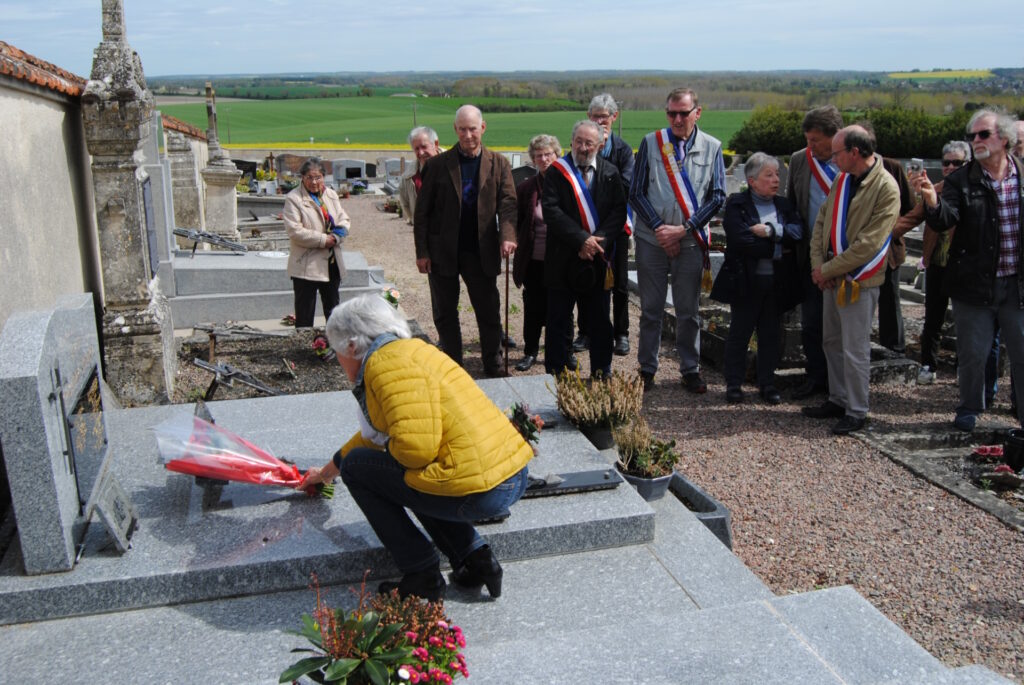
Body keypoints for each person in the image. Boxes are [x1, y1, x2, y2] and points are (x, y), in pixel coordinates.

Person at [299, 294, 532, 601]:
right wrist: (327, 472)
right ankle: (477, 560)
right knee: (414, 473)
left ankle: (422, 573)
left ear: (352, 345)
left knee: (366, 468)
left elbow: (414, 450)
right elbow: (376, 436)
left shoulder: (382, 365)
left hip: (481, 490)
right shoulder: (414, 351)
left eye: (337, 351)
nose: (339, 361)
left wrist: (376, 465)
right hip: (509, 475)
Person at [914, 109, 1024, 432]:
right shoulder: (961, 179)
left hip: (1017, 284)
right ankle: (969, 408)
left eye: (983, 134)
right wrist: (933, 202)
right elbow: (946, 218)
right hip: (974, 284)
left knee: (1021, 353)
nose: (975, 141)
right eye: (972, 135)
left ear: (1004, 139)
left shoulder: (1022, 174)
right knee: (973, 353)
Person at [802, 125, 900, 435]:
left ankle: (857, 410)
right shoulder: (843, 181)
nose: (832, 160)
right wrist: (819, 265)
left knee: (855, 349)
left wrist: (827, 270)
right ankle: (838, 398)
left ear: (854, 153)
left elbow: (869, 244)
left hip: (859, 280)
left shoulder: (886, 187)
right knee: (831, 341)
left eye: (837, 154)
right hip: (832, 276)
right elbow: (821, 222)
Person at [629, 88, 726, 392]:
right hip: (651, 239)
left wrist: (683, 229)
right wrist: (660, 228)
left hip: (689, 239)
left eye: (684, 113)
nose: (677, 119)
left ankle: (690, 368)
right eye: (671, 113)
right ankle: (646, 368)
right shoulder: (651, 142)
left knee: (688, 310)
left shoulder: (713, 147)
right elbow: (636, 191)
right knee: (651, 309)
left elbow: (718, 195)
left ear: (698, 112)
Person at [414, 105, 518, 377]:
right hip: (442, 252)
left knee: (489, 311)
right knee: (445, 312)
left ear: (483, 128)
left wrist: (507, 236)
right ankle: (453, 366)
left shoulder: (499, 163)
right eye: (462, 129)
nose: (468, 134)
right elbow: (422, 213)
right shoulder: (437, 165)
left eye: (473, 128)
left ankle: (493, 364)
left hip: (480, 250)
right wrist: (422, 252)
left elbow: (508, 205)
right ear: (455, 130)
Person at [711, 153, 803, 405]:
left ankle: (767, 383)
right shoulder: (737, 204)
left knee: (770, 335)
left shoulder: (784, 205)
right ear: (752, 181)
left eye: (777, 174)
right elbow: (741, 241)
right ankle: (733, 384)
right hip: (746, 282)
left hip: (777, 284)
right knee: (739, 334)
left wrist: (772, 231)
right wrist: (777, 248)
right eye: (769, 175)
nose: (776, 180)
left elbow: (797, 233)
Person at [542, 120, 627, 376]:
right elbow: (551, 211)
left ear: (600, 145)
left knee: (600, 320)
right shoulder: (557, 171)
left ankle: (601, 370)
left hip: (598, 260)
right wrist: (581, 239)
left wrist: (595, 242)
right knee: (557, 320)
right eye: (578, 141)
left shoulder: (611, 173)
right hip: (563, 258)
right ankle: (555, 372)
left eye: (589, 142)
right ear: (571, 141)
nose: (583, 147)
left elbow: (618, 212)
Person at [900, 140, 971, 385]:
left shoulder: (973, 191)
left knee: (966, 319)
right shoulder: (936, 190)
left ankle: (965, 366)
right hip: (937, 263)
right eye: (947, 162)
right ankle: (929, 365)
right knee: (933, 318)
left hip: (963, 266)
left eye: (957, 163)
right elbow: (910, 218)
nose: (951, 167)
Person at [786, 105, 843, 399]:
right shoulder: (799, 160)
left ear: (835, 137)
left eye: (816, 140)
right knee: (811, 323)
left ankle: (841, 383)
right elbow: (792, 204)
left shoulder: (851, 160)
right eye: (807, 139)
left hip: (847, 259)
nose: (810, 146)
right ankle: (816, 376)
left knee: (842, 327)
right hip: (811, 257)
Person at [573, 93, 635, 357]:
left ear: (614, 117)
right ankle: (585, 331)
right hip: (586, 228)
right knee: (586, 281)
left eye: (604, 116)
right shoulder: (581, 147)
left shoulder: (623, 151)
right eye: (594, 116)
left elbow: (625, 188)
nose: (599, 121)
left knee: (619, 283)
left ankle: (620, 333)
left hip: (615, 228)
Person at [857, 122, 914, 356]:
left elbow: (911, 208)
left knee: (890, 300)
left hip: (888, 250)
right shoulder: (847, 172)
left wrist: (891, 231)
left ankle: (895, 349)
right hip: (858, 248)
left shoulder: (892, 168)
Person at [512, 134, 561, 372]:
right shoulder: (525, 189)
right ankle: (530, 351)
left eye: (548, 154)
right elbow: (517, 221)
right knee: (533, 308)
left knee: (560, 307)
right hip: (533, 259)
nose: (543, 159)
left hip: (560, 260)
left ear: (556, 155)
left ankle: (563, 351)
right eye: (538, 155)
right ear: (533, 159)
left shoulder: (567, 184)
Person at [283, 158, 350, 329]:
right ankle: (304, 350)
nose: (314, 182)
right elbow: (295, 231)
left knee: (334, 310)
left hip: (331, 263)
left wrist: (337, 236)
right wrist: (323, 240)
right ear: (302, 178)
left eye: (318, 177)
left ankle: (335, 348)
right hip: (307, 265)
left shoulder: (331, 195)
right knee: (305, 313)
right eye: (309, 177)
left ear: (324, 177)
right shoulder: (293, 199)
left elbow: (343, 218)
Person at [398, 126, 441, 224]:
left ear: (436, 144)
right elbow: (406, 206)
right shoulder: (408, 177)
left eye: (424, 147)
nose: (421, 153)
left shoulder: (454, 166)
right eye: (416, 149)